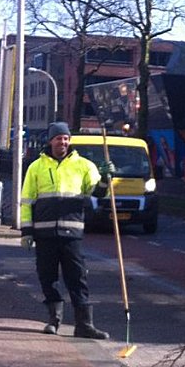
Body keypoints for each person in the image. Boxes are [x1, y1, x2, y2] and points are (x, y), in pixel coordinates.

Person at [20, 122, 112, 339]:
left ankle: (84, 325)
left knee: (77, 278)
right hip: (44, 234)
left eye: (66, 138)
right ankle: (54, 320)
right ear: (50, 140)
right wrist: (26, 231)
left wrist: (106, 180)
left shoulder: (84, 165)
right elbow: (26, 201)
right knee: (47, 277)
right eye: (59, 138)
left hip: (72, 233)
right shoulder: (36, 167)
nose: (63, 142)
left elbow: (98, 193)